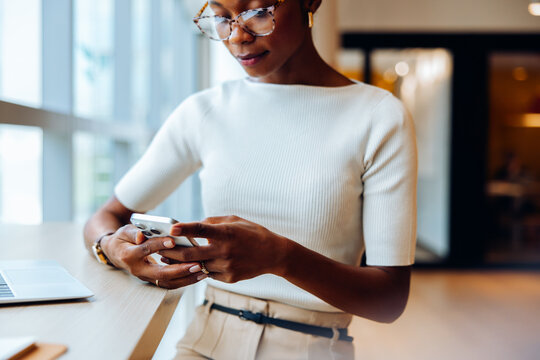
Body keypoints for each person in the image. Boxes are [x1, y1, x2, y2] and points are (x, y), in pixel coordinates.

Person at [83, 0, 418, 358]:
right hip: (205, 340)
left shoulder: (379, 117)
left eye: (258, 13)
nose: (238, 36)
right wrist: (112, 249)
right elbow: (105, 217)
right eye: (222, 18)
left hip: (311, 347)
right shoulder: (204, 112)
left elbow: (389, 301)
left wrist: (283, 258)